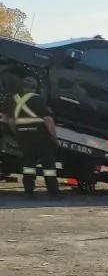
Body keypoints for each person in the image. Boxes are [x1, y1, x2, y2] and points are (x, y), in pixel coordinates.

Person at [2, 69, 60, 197]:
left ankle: (29, 190)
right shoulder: (38, 99)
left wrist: (17, 132)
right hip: (41, 136)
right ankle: (53, 192)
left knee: (28, 165)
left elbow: (10, 120)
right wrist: (54, 137)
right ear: (35, 88)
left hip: (23, 137)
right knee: (48, 165)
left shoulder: (11, 100)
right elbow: (47, 119)